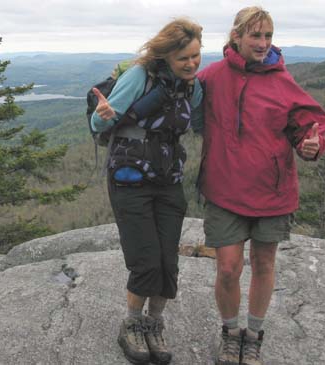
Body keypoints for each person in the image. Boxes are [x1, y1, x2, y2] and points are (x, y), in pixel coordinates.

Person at [193, 6, 325, 365]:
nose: (263, 43)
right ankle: (230, 333)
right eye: (255, 35)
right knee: (227, 268)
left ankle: (253, 335)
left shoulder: (281, 80)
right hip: (224, 189)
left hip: (273, 191)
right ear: (236, 37)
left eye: (268, 36)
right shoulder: (211, 77)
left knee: (264, 262)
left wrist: (311, 146)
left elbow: (309, 126)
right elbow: (178, 94)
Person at [91, 18, 203, 365]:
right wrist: (103, 114)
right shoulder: (140, 77)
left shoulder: (192, 86)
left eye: (196, 57)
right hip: (130, 181)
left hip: (168, 181)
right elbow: (100, 123)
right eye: (184, 58)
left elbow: (198, 120)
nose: (191, 64)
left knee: (168, 260)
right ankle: (132, 325)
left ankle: (155, 324)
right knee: (145, 259)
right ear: (166, 55)